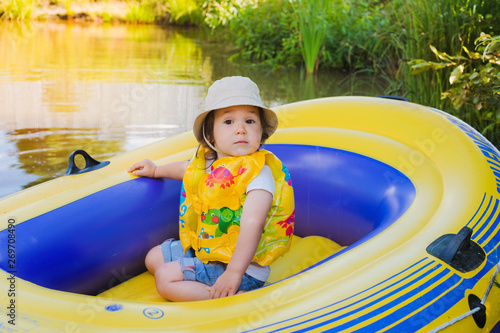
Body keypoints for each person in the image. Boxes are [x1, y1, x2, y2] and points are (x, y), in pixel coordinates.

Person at [128, 76, 295, 302]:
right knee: (153, 259)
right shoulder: (209, 162)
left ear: (261, 131)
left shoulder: (259, 174)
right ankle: (204, 276)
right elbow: (185, 170)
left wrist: (233, 274)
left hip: (241, 268)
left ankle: (234, 297)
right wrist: (156, 170)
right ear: (210, 135)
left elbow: (253, 224)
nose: (240, 129)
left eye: (250, 121)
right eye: (228, 122)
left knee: (164, 279)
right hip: (209, 249)